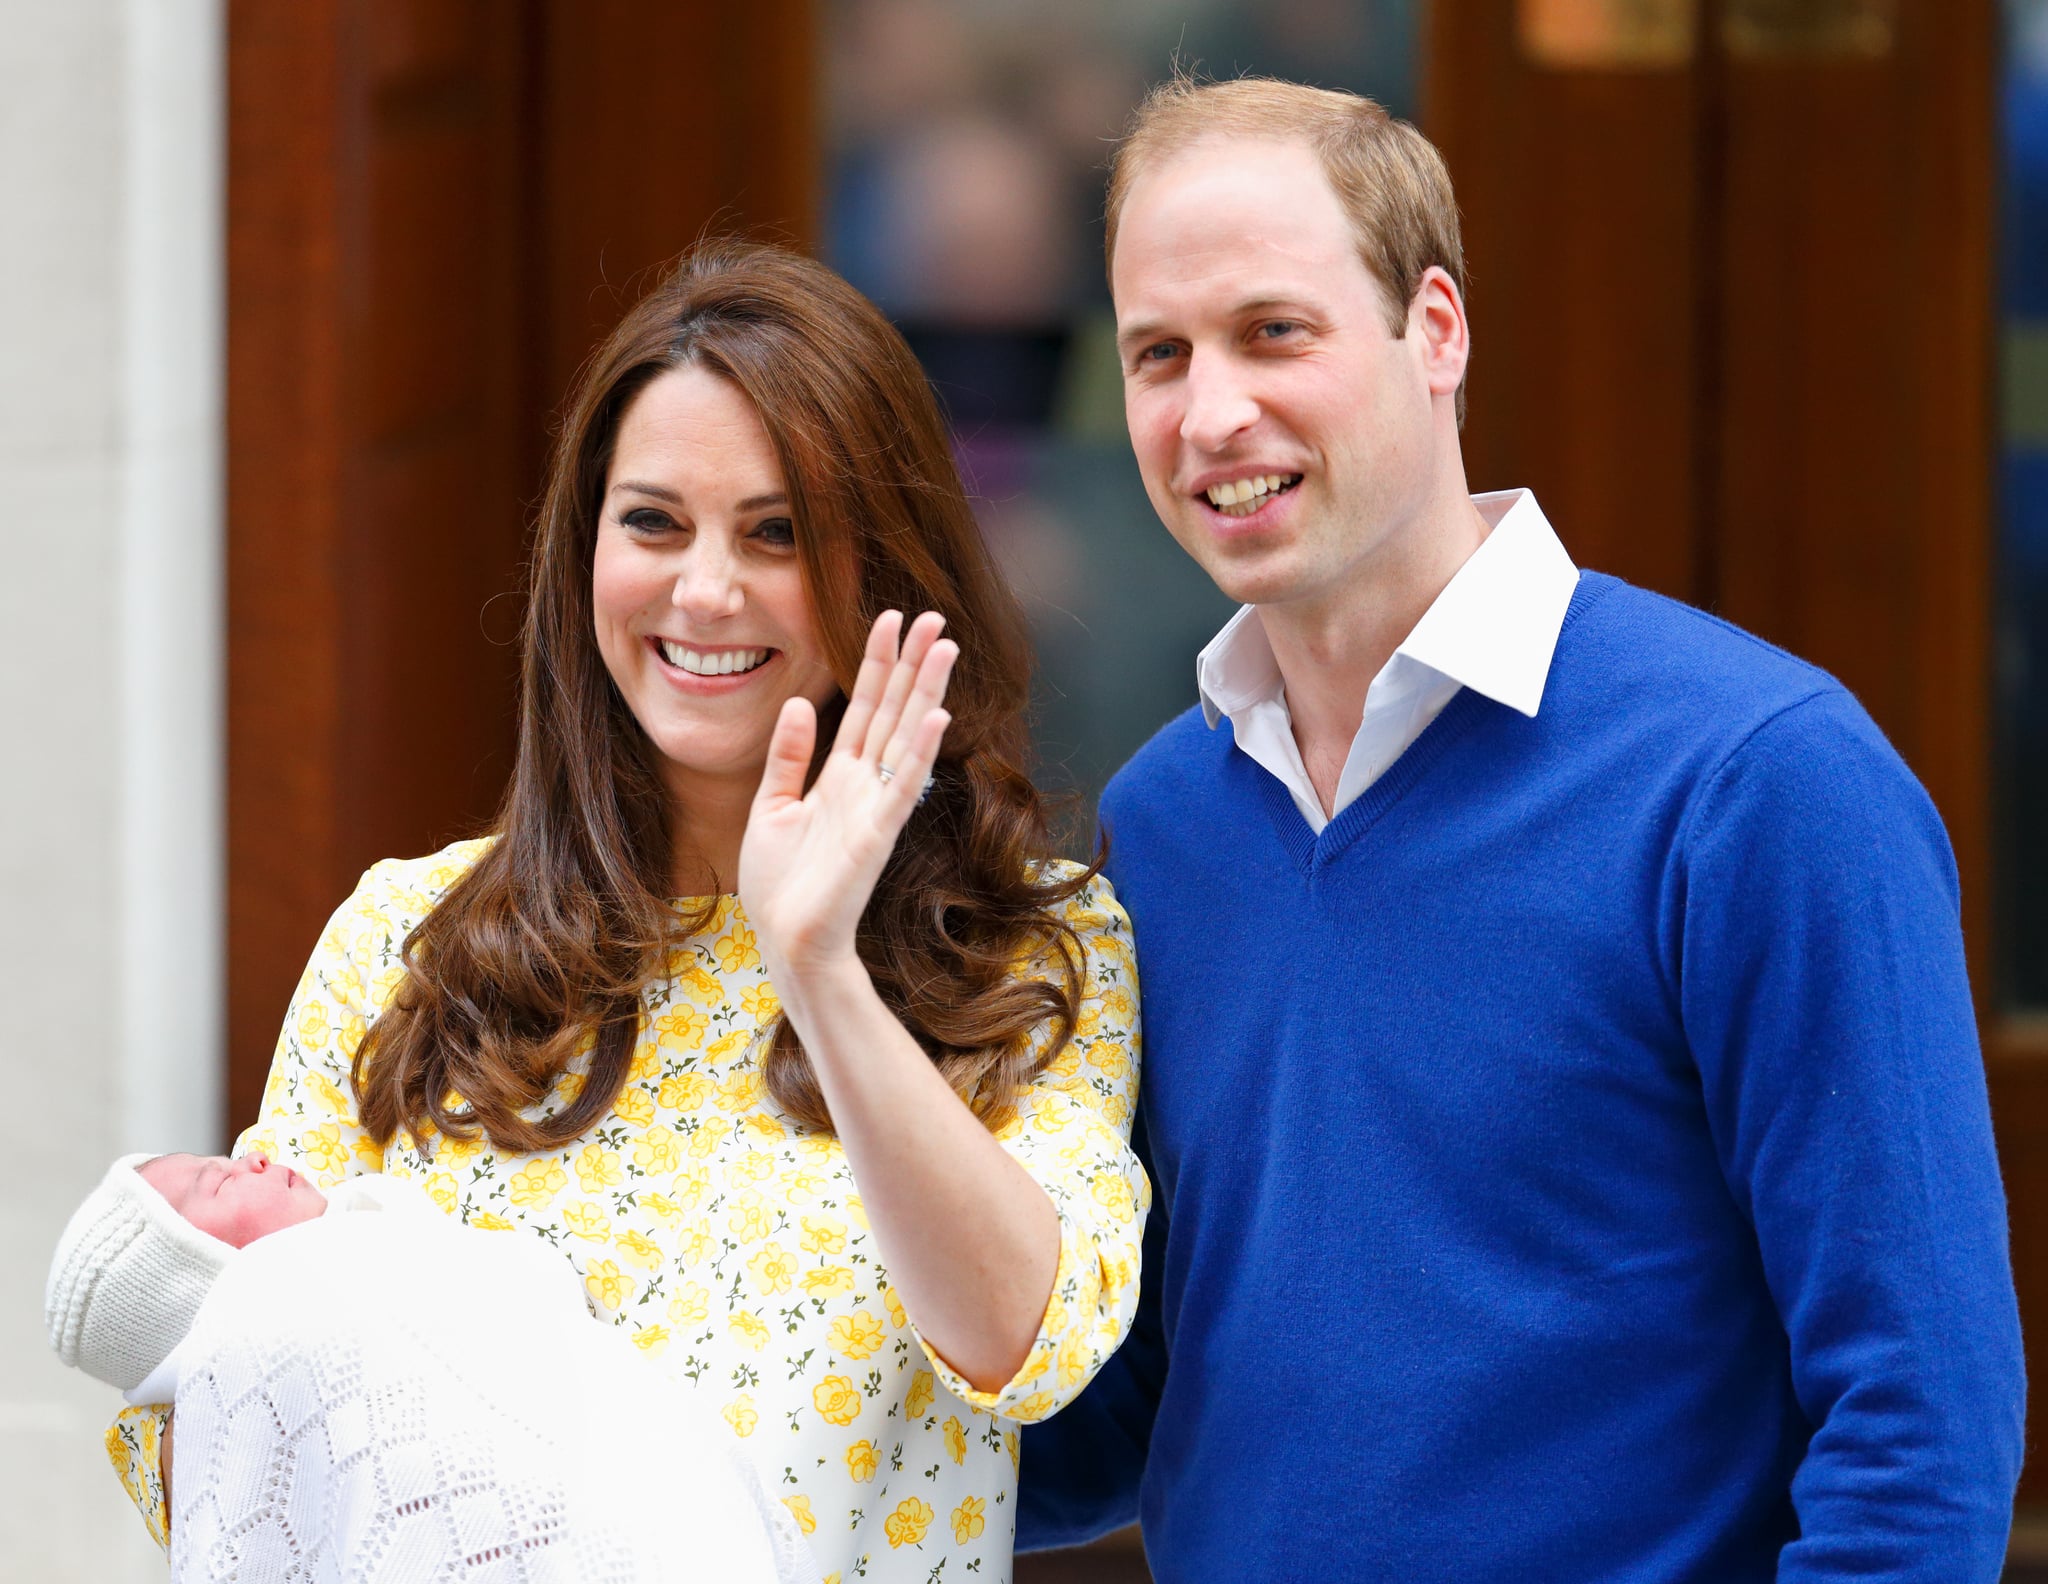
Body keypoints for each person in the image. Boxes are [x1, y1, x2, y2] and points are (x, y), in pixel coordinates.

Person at [1015, 75, 2025, 1581]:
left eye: (1274, 331)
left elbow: (1921, 1431)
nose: (1212, 410)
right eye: (1159, 353)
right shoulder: (1161, 827)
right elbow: (1119, 1423)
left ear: (1437, 330)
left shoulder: (1760, 784)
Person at [104, 240, 1148, 1584]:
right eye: (653, 522)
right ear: (583, 549)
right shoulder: (406, 943)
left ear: (879, 568)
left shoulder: (1035, 947)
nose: (703, 590)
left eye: (775, 532)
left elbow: (1033, 1347)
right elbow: (210, 1442)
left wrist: (818, 966)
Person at [50, 1152, 812, 1584]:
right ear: (189, 1280)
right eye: (214, 1185)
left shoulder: (397, 1249)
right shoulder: (273, 1321)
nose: (249, 1155)